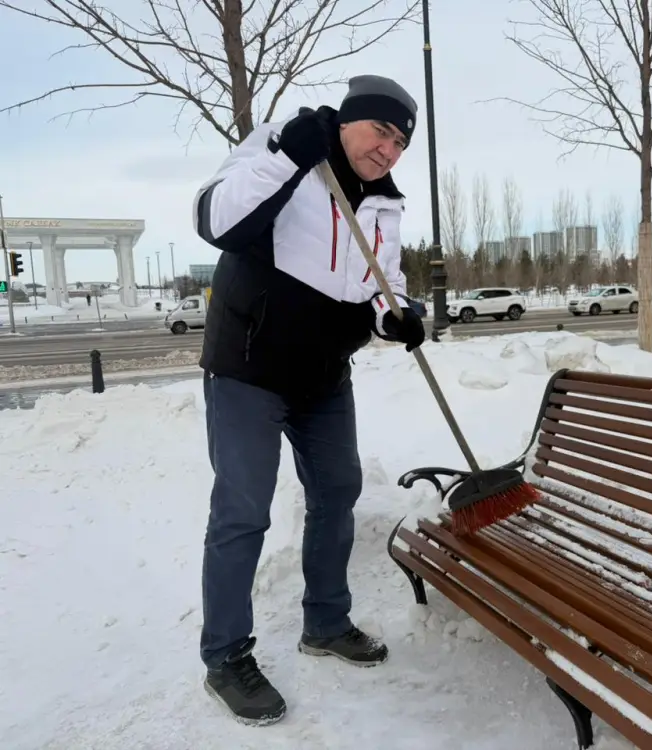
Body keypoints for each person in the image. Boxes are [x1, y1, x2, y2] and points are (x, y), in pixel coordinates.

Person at [190, 74, 427, 726]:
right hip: (248, 368)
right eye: (382, 131)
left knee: (337, 491)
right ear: (351, 120)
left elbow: (382, 284)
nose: (389, 150)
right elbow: (217, 220)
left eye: (402, 142)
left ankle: (325, 620)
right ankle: (225, 656)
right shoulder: (283, 144)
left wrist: (397, 317)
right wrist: (286, 159)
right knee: (243, 509)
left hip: (323, 378)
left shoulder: (383, 202)